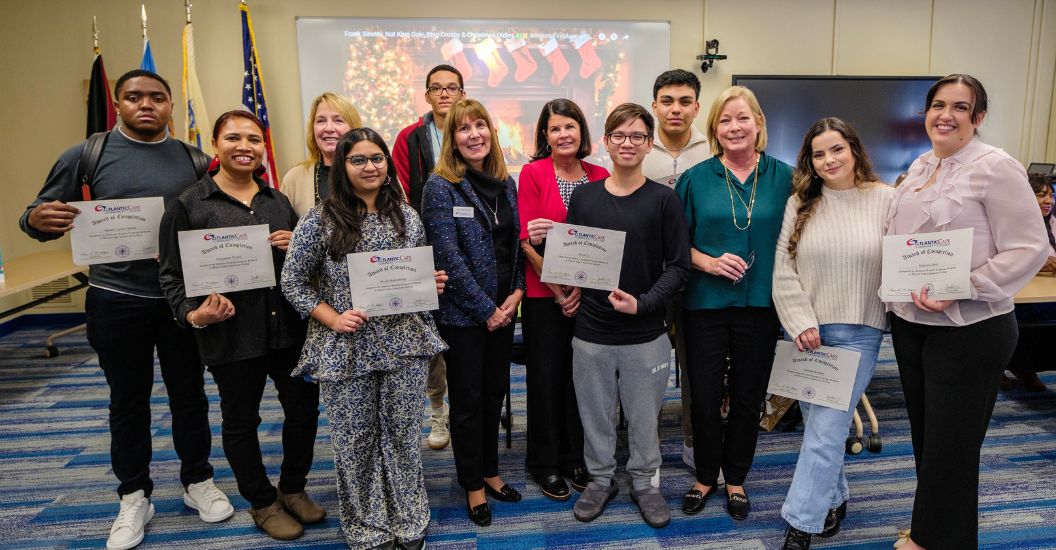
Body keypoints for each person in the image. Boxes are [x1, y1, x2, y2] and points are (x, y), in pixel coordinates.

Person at [18, 69, 232, 550]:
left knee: (190, 396)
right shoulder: (86, 154)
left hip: (180, 301)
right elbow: (36, 214)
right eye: (134, 97)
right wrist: (36, 218)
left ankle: (197, 481)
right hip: (116, 300)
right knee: (127, 400)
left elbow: (212, 220)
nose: (147, 105)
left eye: (157, 97)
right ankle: (135, 495)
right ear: (118, 104)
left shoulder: (195, 159)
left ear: (171, 105)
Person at [884, 74, 1048, 550]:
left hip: (971, 328)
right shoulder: (919, 166)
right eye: (937, 105)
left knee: (952, 446)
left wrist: (965, 287)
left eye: (960, 107)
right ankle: (930, 530)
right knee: (929, 441)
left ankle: (937, 541)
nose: (945, 115)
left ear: (977, 118)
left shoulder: (997, 168)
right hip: (914, 324)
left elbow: (1029, 248)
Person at [158, 111, 323, 542]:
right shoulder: (189, 204)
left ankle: (293, 487)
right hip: (231, 334)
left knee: (303, 413)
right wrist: (193, 315)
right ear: (215, 144)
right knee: (240, 421)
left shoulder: (276, 201)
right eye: (233, 137)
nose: (244, 146)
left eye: (253, 138)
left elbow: (300, 270)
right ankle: (262, 502)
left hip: (288, 329)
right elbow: (171, 276)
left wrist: (294, 247)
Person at [281, 128, 447, 550]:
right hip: (345, 347)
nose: (370, 166)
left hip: (404, 343)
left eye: (377, 158)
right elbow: (294, 282)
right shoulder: (319, 219)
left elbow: (412, 279)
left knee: (403, 435)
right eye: (359, 160)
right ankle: (367, 525)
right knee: (355, 441)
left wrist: (430, 284)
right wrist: (332, 318)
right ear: (342, 166)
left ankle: (409, 515)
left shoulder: (407, 216)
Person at [564, 103, 690, 529]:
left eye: (637, 136)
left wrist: (644, 303)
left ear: (648, 143)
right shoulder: (584, 198)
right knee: (594, 416)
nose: (627, 144)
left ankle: (644, 482)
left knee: (643, 419)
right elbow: (575, 258)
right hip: (592, 333)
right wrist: (570, 286)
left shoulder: (663, 199)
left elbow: (678, 267)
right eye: (619, 135)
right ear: (606, 141)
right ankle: (599, 480)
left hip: (645, 333)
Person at [771, 118, 894, 549]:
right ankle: (836, 497)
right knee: (821, 430)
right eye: (819, 154)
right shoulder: (800, 203)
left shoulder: (886, 199)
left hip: (860, 333)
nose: (829, 160)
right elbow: (784, 272)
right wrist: (800, 322)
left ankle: (801, 524)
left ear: (855, 150)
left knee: (824, 433)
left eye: (837, 149)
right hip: (806, 335)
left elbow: (900, 261)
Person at [674, 85, 792, 521]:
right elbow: (674, 246)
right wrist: (706, 261)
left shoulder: (787, 178)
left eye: (743, 118)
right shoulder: (695, 179)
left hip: (762, 304)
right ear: (714, 129)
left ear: (758, 124)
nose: (734, 127)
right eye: (725, 120)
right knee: (703, 397)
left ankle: (736, 476)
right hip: (704, 305)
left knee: (748, 396)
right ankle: (705, 476)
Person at [421, 98, 525, 527]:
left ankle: (491, 470)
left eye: (480, 125)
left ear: (491, 132)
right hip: (465, 317)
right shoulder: (440, 186)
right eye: (464, 129)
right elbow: (447, 256)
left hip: (504, 308)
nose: (474, 134)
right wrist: (487, 311)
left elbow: (516, 245)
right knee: (467, 401)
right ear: (453, 139)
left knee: (496, 392)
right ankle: (473, 485)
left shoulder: (507, 182)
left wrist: (516, 294)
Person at [518, 99, 608, 500]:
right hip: (544, 296)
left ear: (582, 132)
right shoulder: (533, 173)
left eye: (570, 126)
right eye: (555, 129)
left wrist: (581, 291)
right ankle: (544, 461)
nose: (564, 134)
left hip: (590, 297)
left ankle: (576, 456)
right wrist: (559, 290)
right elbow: (526, 241)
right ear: (545, 136)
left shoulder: (601, 174)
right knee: (546, 379)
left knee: (583, 381)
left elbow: (604, 241)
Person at [392, 64, 466, 451]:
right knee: (430, 333)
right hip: (424, 248)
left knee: (463, 331)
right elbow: (401, 191)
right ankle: (438, 407)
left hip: (468, 246)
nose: (444, 94)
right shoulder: (410, 136)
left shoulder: (473, 131)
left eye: (452, 88)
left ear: (462, 93)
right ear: (427, 95)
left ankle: (464, 404)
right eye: (436, 88)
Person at [641, 69, 712, 472]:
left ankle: (692, 440)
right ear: (654, 106)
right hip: (648, 277)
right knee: (646, 366)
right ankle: (644, 443)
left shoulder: (712, 148)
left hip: (697, 275)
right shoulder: (638, 148)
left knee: (698, 366)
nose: (675, 109)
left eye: (685, 101)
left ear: (697, 107)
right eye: (667, 101)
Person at [1004, 173, 1056, 391]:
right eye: (1041, 195)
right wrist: (1039, 262)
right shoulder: (1014, 223)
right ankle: (1010, 366)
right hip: (1018, 290)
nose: (1049, 201)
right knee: (1034, 314)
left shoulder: (1052, 222)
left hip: (1046, 289)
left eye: (1051, 195)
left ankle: (1028, 366)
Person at [280, 93, 363, 216]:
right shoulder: (294, 179)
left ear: (354, 128)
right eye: (321, 121)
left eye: (338, 120)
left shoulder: (375, 171)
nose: (329, 128)